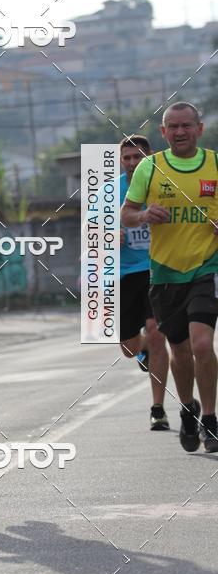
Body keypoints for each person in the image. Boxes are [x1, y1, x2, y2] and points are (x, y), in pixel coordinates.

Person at [121, 102, 218, 453]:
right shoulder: (151, 166)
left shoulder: (215, 164)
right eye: (172, 127)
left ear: (199, 128)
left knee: (202, 344)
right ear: (163, 133)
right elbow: (126, 215)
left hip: (207, 269)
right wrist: (145, 214)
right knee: (178, 349)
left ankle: (210, 417)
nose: (180, 132)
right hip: (163, 273)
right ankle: (188, 408)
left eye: (186, 126)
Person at [118, 135, 170, 430]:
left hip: (157, 268)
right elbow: (93, 233)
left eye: (138, 157)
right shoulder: (109, 192)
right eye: (127, 158)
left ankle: (158, 409)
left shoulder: (164, 184)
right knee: (128, 347)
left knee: (155, 331)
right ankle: (144, 351)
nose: (132, 162)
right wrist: (112, 234)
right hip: (125, 274)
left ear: (150, 157)